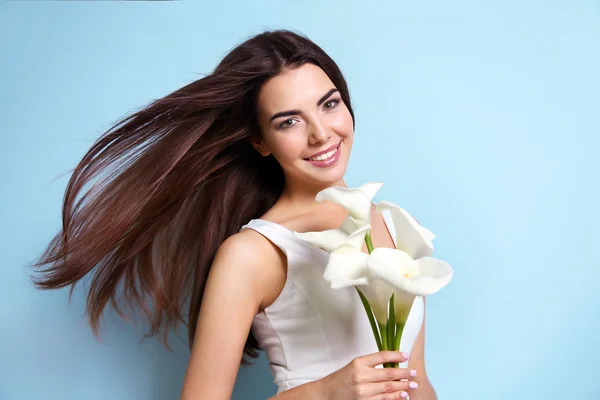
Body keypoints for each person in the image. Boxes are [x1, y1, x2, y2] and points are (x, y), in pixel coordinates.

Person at [32, 29, 437, 400]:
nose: (320, 133)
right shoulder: (254, 252)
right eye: (289, 121)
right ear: (260, 141)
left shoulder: (394, 225)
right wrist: (325, 392)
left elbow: (417, 379)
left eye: (328, 104)